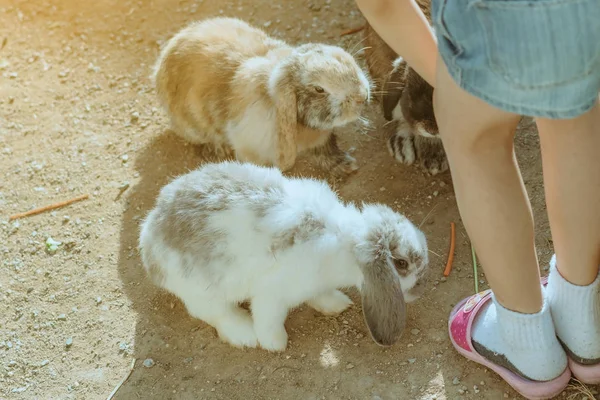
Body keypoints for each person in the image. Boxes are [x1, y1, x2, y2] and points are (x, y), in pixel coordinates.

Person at [355, 0, 600, 398]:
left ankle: (527, 344)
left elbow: (383, 5)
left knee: (478, 143)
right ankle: (584, 325)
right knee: (576, 121)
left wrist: (452, 82)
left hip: (487, 24)